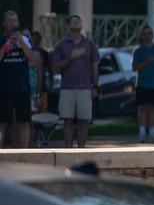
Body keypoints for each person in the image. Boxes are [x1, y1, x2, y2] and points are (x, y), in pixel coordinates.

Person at [51, 15, 100, 148]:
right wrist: (71, 58)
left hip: (85, 88)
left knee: (83, 121)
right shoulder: (61, 44)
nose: (77, 21)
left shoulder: (89, 44)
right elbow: (55, 66)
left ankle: (81, 150)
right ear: (68, 25)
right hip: (67, 88)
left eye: (79, 20)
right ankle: (68, 151)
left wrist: (95, 86)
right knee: (68, 121)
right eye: (74, 20)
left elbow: (95, 66)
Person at [0, 11, 40, 148]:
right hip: (4, 88)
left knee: (24, 122)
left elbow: (33, 60)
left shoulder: (25, 40)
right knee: (2, 122)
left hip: (22, 87)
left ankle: (24, 153)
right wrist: (8, 44)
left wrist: (21, 43)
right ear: (4, 23)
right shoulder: (1, 39)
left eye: (15, 21)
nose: (13, 24)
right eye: (10, 21)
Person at [132, 25, 154, 142]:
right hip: (142, 84)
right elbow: (135, 67)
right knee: (143, 108)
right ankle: (142, 132)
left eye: (149, 33)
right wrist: (147, 60)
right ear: (142, 36)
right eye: (145, 34)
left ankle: (153, 132)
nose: (147, 36)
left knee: (153, 108)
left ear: (152, 35)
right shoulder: (138, 51)